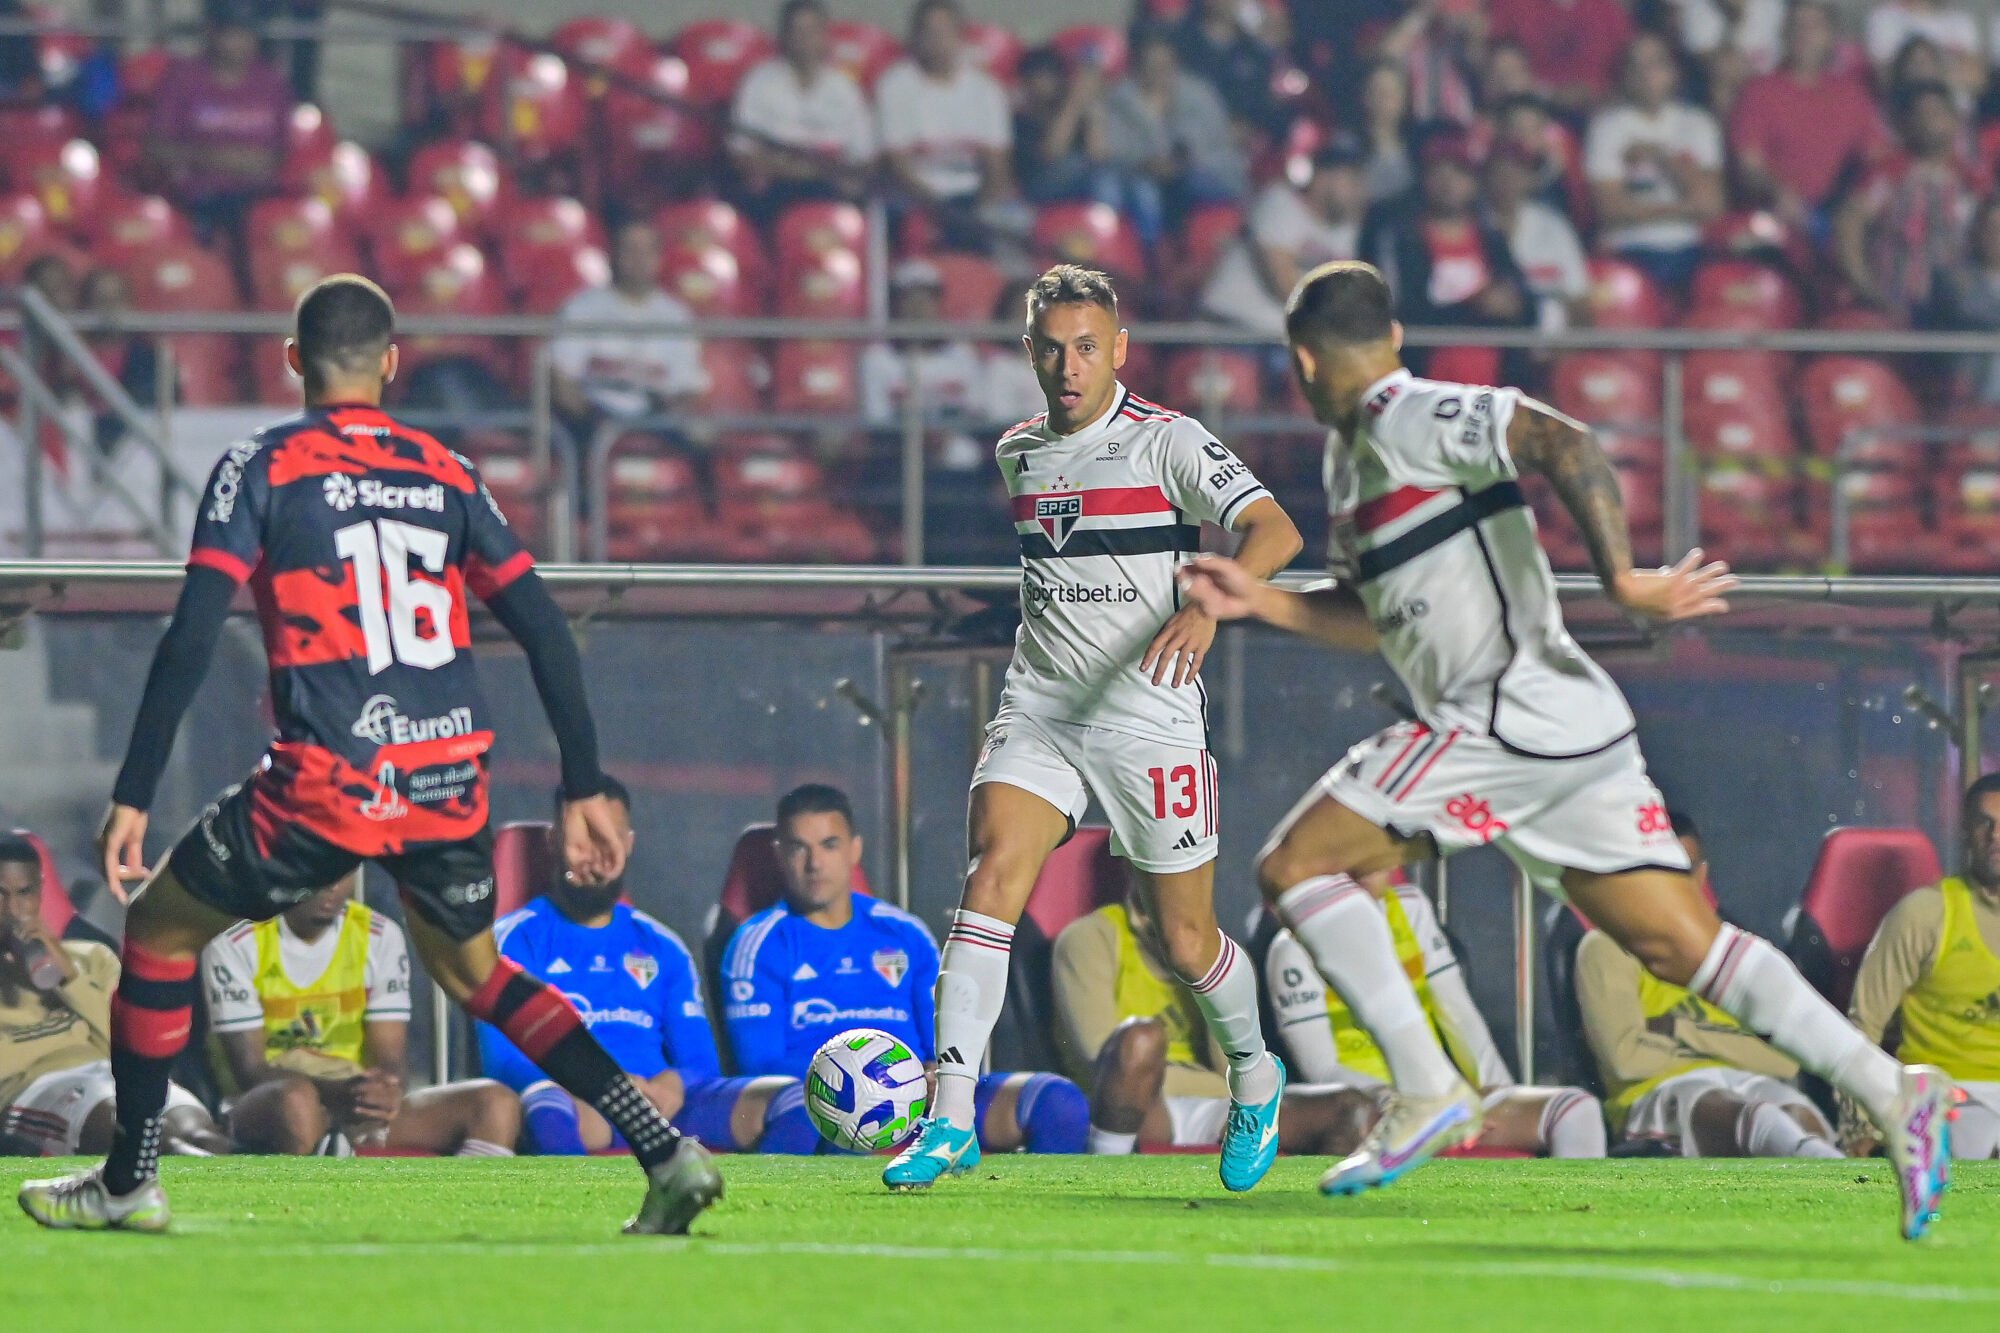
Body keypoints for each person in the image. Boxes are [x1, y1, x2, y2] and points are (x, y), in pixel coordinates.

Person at [1175, 258, 1953, 1237]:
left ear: (1298, 360)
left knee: (1294, 866)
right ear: (1391, 333)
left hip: (1500, 716)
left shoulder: (1406, 412)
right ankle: (1891, 1091)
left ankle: (1423, 1087)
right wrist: (1266, 603)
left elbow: (1558, 435)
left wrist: (1623, 580)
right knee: (1678, 941)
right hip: (1566, 728)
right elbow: (1377, 616)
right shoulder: (1353, 461)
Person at [18, 274, 721, 1236]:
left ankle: (129, 1180)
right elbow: (548, 629)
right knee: (477, 973)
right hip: (445, 774)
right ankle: (664, 1145)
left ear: (294, 360)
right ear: (392, 363)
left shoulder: (259, 466)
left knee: (158, 932)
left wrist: (134, 790)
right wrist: (583, 784)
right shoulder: (447, 470)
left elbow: (192, 632)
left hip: (327, 782)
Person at [880, 264, 1304, 1192]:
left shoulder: (1168, 441)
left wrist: (1211, 608)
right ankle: (950, 1118)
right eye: (1051, 348)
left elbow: (1275, 531)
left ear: (1119, 349)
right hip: (1042, 706)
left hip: (1149, 717)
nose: (1069, 366)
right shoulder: (1019, 451)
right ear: (1029, 352)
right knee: (989, 877)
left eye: (1086, 347)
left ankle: (1256, 1076)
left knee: (1186, 939)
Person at [724, 784, 1089, 1156]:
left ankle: (1030, 1211)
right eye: (800, 847)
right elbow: (760, 1063)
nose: (814, 863)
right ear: (780, 854)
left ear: (855, 849)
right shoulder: (758, 943)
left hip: (925, 1100)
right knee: (850, 1114)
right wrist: (872, 1081)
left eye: (829, 845)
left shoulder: (903, 933)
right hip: (833, 1104)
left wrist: (933, 1076)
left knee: (1057, 1102)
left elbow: (949, 1034)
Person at [480, 780, 818, 1156]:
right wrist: (604, 1085)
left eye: (607, 838)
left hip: (666, 1106)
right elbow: (505, 1063)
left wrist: (673, 1083)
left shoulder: (661, 944)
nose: (596, 854)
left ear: (627, 844)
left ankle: (753, 1209)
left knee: (798, 1102)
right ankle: (585, 1212)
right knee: (546, 1108)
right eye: (584, 837)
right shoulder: (511, 941)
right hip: (581, 1103)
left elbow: (701, 1062)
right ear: (555, 841)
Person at [1268, 870, 1607, 1158]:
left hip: (1445, 1093)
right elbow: (1322, 1068)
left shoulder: (1410, 908)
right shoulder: (1292, 948)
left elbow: (1459, 1017)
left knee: (1577, 1108)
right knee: (1354, 1119)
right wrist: (1399, 1099)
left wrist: (1494, 1090)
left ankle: (1584, 1223)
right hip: (1371, 1102)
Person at [1576, 813, 1844, 1158]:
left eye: (1681, 872)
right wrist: (1731, 1046)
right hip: (1658, 1092)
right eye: (1657, 870)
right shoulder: (1605, 946)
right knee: (1749, 1115)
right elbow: (1626, 1061)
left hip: (1747, 1081)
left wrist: (1679, 1030)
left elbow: (1784, 1062)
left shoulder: (1728, 947)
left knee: (1803, 1118)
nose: (1669, 886)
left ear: (1701, 875)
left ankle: (1845, 1196)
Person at [205, 873, 520, 1157]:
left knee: (496, 1104)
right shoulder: (236, 940)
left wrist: (382, 1091)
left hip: (354, 1105)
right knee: (297, 1103)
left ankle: (458, 1213)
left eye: (343, 870)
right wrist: (339, 1094)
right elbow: (250, 1072)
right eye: (320, 868)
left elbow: (391, 1062)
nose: (331, 885)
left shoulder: (379, 935)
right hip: (272, 1106)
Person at [1052, 883, 1378, 1157]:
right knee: (1142, 1041)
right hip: (1138, 1107)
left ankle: (1304, 1225)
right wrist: (1220, 1087)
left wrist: (1200, 964)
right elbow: (1101, 1062)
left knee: (1348, 1108)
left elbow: (1235, 1071)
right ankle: (1106, 1171)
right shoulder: (1090, 938)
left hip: (1214, 1109)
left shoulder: (1224, 955)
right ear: (1131, 863)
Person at [1, 835, 227, 1158]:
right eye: (0, 895)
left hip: (115, 1073)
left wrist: (69, 978)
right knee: (155, 1140)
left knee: (197, 1131)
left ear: (40, 891)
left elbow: (126, 1041)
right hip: (39, 1091)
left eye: (24, 893)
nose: (12, 910)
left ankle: (257, 1198)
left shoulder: (91, 957)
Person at [1847, 774, 2000, 1160]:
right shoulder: (1925, 914)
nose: (1996, 835)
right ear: (1966, 833)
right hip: (1944, 1098)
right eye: (1986, 823)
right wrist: (1860, 1128)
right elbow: (1862, 1025)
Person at [1359, 129, 1533, 385]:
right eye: (1437, 172)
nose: (1448, 183)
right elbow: (1398, 314)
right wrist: (1475, 306)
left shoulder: (1491, 240)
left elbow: (1526, 305)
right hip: (1424, 383)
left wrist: (1516, 304)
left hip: (1492, 386)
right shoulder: (1400, 239)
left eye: (1459, 172)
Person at [1729, 0, 1886, 239]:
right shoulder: (1759, 92)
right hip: (1780, 221)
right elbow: (1750, 166)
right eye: (1798, 25)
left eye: (1814, 26)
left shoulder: (1853, 95)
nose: (1805, 34)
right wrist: (1778, 190)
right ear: (1784, 32)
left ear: (1831, 35)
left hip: (1841, 219)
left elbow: (1877, 158)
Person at [1584, 32, 1726, 295]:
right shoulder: (1607, 127)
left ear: (1673, 72)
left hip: (1689, 249)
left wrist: (1659, 157)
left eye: (1654, 64)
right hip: (1629, 249)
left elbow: (1711, 204)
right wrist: (1686, 207)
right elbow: (1610, 210)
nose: (1645, 74)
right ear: (1625, 75)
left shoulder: (1698, 124)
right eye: (1636, 65)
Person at [143, 0, 293, 245]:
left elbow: (282, 154)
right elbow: (155, 147)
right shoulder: (183, 78)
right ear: (212, 32)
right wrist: (211, 157)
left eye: (248, 32)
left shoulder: (271, 83)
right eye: (233, 33)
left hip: (259, 201)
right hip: (196, 200)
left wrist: (256, 164)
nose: (242, 42)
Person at [1833, 80, 1982, 322]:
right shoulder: (1888, 174)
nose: (1929, 121)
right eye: (1921, 114)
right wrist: (1865, 287)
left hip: (1957, 313)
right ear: (1906, 123)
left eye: (1937, 112)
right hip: (1893, 306)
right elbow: (1850, 223)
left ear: (1955, 121)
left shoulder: (1971, 181)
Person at [550, 216, 706, 445]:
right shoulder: (583, 308)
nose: (638, 259)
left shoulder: (676, 316)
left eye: (646, 251)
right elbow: (562, 379)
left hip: (655, 420)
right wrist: (595, 420)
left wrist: (662, 419)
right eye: (630, 250)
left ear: (659, 258)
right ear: (614, 255)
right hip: (594, 420)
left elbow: (686, 388)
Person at [874, 0, 1015, 254]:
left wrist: (979, 205)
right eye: (929, 32)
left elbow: (996, 164)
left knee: (1015, 224)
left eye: (944, 32)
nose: (937, 41)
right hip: (916, 197)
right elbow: (897, 164)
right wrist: (941, 207)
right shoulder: (896, 85)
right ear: (916, 37)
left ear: (960, 37)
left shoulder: (985, 90)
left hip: (973, 196)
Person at [729, 0, 877, 222]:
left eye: (811, 31)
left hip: (830, 188)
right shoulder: (759, 82)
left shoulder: (845, 89)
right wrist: (794, 170)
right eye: (797, 31)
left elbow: (863, 157)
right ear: (784, 36)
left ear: (825, 36)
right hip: (776, 187)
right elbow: (741, 152)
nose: (804, 39)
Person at [1100, 26, 1247, 249]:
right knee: (1143, 194)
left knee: (1192, 183)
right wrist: (1147, 162)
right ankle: (1152, 258)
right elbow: (1115, 149)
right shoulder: (1120, 101)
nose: (1158, 72)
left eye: (1164, 64)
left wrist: (1181, 158)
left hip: (1202, 170)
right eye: (1150, 65)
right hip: (1142, 175)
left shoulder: (1199, 94)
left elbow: (1215, 138)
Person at [1201, 142, 1366, 336]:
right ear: (1322, 179)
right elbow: (1284, 284)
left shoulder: (1345, 229)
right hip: (1231, 329)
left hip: (1282, 340)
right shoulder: (1280, 202)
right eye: (1352, 181)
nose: (1360, 192)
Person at [1483, 143, 1590, 333]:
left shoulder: (1554, 226)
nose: (1508, 181)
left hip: (1550, 342)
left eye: (1517, 173)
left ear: (1530, 179)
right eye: (1500, 172)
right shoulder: (1474, 225)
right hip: (1491, 338)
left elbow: (1578, 296)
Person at [1484, 0, 1635, 110]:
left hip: (1597, 114)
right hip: (1527, 114)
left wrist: (1597, 96)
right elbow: (1492, 72)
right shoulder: (1513, 6)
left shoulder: (1609, 12)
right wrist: (1546, 93)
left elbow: (1631, 76)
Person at [1010, 46, 1112, 207]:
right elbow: (1051, 153)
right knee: (1079, 165)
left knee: (1110, 181)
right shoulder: (1020, 119)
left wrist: (1092, 104)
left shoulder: (1069, 109)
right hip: (1037, 186)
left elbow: (1098, 155)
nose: (1047, 84)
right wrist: (1074, 103)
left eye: (1051, 77)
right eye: (1040, 77)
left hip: (1081, 183)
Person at [1935, 196, 2000, 403]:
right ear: (1978, 233)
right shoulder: (1955, 277)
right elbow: (1972, 310)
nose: (1996, 238)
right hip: (1971, 391)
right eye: (1991, 230)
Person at [1356, 61, 1416, 206]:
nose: (1382, 100)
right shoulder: (1349, 145)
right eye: (1377, 91)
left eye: (1390, 93)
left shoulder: (1418, 147)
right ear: (1364, 96)